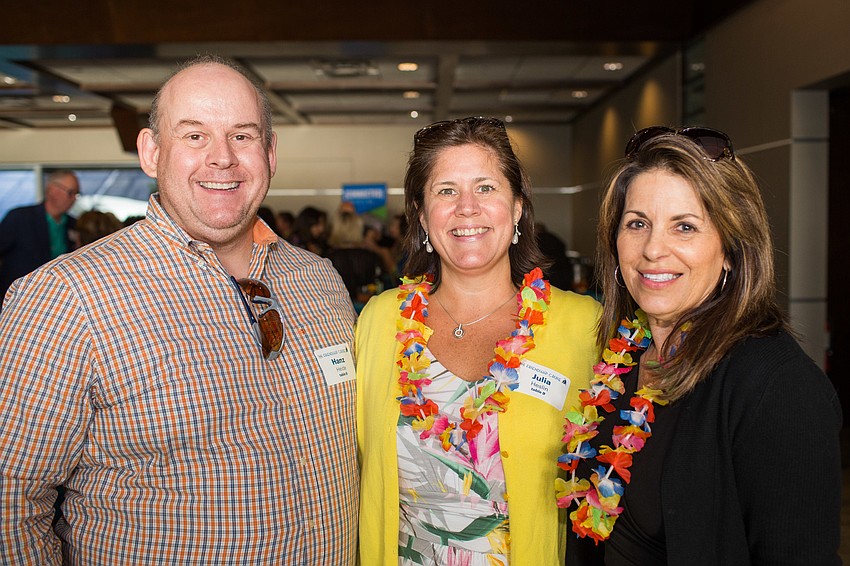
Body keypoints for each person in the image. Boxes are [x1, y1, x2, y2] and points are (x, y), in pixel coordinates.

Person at [0, 55, 358, 565]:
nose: (222, 158)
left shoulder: (319, 281)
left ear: (270, 152)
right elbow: (10, 504)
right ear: (151, 151)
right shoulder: (67, 299)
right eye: (194, 136)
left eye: (243, 135)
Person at [559, 126, 842, 565]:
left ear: (731, 248)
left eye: (685, 227)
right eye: (637, 223)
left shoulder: (776, 387)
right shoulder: (623, 355)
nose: (653, 249)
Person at [356, 116, 601, 565]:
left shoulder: (583, 325)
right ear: (421, 213)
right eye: (446, 190)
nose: (466, 207)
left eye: (486, 187)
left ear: (519, 207)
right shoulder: (379, 320)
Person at [0, 169, 79, 301]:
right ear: (52, 190)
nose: (73, 199)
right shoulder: (20, 217)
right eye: (70, 193)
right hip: (18, 298)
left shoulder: (73, 224)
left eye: (76, 194)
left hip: (55, 298)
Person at [325, 202, 386, 313]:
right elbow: (381, 288)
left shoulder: (326, 259)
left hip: (337, 314)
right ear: (359, 228)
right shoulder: (371, 257)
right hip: (368, 313)